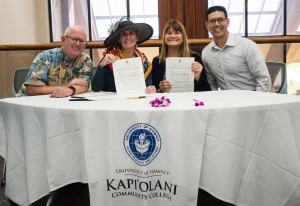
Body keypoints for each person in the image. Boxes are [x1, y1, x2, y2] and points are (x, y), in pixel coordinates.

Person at [202, 6, 271, 92]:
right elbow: (211, 83)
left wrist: (256, 103)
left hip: (251, 100)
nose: (216, 24)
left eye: (220, 19)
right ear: (207, 25)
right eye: (212, 21)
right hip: (226, 102)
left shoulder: (247, 46)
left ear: (227, 22)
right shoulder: (206, 53)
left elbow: (263, 79)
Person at [16, 25, 92, 98]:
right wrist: (66, 88)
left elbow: (84, 86)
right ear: (63, 40)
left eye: (81, 41)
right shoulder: (45, 57)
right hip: (29, 104)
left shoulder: (85, 60)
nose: (78, 43)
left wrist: (68, 90)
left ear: (85, 46)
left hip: (60, 103)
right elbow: (32, 90)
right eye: (74, 39)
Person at [92, 17, 156, 94]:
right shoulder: (108, 60)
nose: (128, 37)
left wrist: (151, 89)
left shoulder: (145, 64)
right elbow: (96, 88)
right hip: (113, 103)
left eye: (131, 33)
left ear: (137, 38)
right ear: (118, 39)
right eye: (124, 34)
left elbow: (148, 88)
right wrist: (101, 66)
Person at [152, 19, 211, 93]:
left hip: (190, 102)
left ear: (183, 37)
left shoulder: (195, 58)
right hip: (166, 103)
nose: (173, 36)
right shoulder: (157, 61)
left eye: (177, 33)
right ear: (164, 37)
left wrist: (198, 78)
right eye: (169, 33)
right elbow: (154, 92)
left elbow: (207, 90)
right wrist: (160, 90)